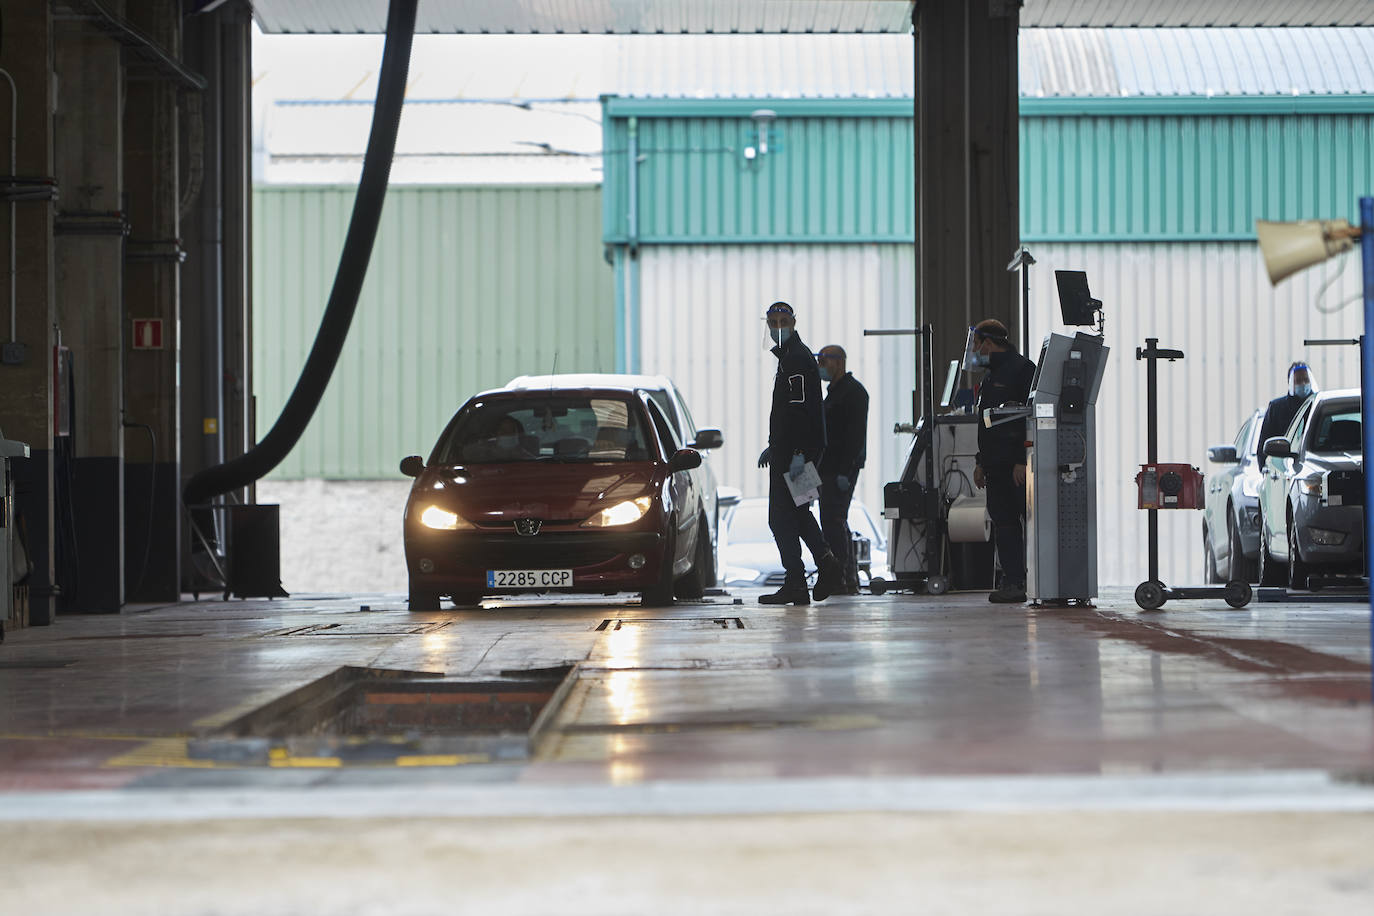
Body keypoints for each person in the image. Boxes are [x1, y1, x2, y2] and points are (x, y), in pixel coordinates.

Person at [755, 301, 845, 606]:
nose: (777, 328)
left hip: (796, 456)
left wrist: (793, 453)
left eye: (783, 321)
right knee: (800, 512)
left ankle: (798, 579)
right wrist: (776, 444)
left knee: (780, 519)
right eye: (772, 322)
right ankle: (825, 563)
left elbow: (797, 413)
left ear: (793, 322)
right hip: (798, 451)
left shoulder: (795, 360)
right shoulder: (790, 358)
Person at [970, 319, 1036, 604]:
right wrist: (980, 461)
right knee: (1005, 524)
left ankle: (1029, 581)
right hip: (995, 465)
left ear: (988, 342)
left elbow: (1029, 416)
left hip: (1015, 466)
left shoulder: (1022, 370)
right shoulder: (990, 375)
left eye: (977, 344)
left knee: (1026, 523)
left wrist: (1023, 459)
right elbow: (987, 423)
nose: (975, 350)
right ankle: (1013, 581)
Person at [816, 345, 869, 595]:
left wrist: (845, 471)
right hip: (825, 468)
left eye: (824, 360)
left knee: (833, 520)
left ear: (839, 362)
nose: (821, 365)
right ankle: (844, 576)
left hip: (839, 469)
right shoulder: (833, 393)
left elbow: (854, 437)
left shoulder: (854, 393)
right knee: (833, 521)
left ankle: (842, 577)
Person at [1256, 362, 1317, 458]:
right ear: (1290, 383)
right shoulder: (1277, 408)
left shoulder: (1317, 406)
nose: (1303, 384)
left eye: (1306, 380)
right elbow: (1264, 444)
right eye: (1298, 381)